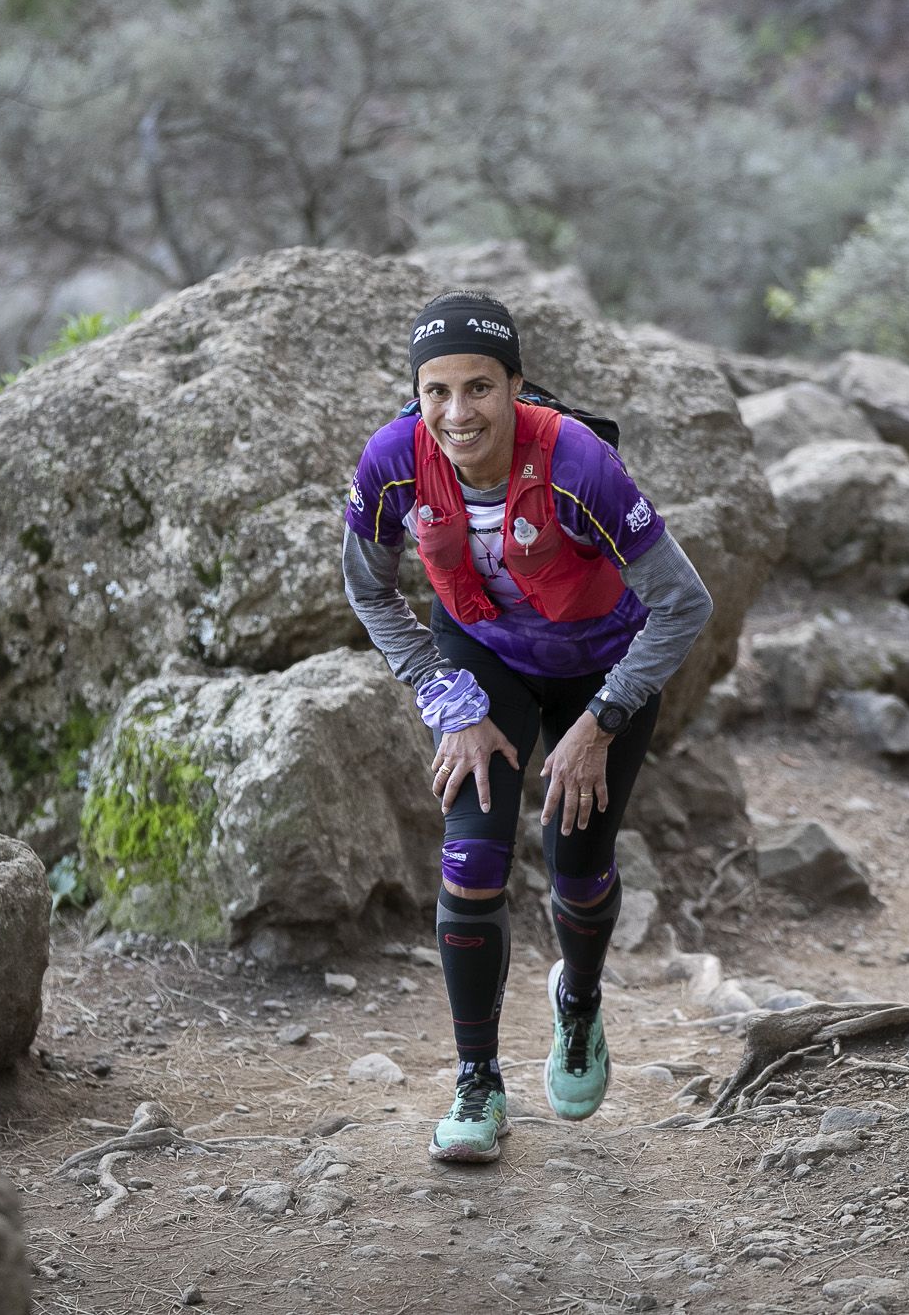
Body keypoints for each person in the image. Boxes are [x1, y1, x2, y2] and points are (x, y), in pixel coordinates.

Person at [342, 291, 714, 1163]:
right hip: (483, 658)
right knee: (471, 861)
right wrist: (444, 697)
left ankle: (577, 1000)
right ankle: (478, 1082)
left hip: (603, 664)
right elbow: (369, 586)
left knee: (578, 871)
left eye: (479, 388)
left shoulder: (578, 462)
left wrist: (601, 720)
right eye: (437, 391)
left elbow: (682, 602)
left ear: (516, 387)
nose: (457, 412)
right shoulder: (392, 462)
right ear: (417, 394)